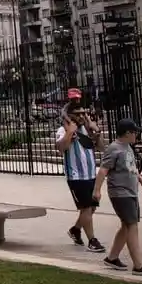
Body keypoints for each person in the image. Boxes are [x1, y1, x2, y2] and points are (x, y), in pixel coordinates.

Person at [94, 119, 142, 276]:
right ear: (128, 133)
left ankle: (112, 258)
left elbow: (132, 168)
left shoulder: (127, 148)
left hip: (131, 191)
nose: (136, 135)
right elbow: (103, 170)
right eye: (135, 132)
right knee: (132, 225)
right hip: (120, 192)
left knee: (126, 225)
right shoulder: (114, 149)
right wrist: (97, 190)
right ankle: (138, 265)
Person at [55, 99, 105, 252]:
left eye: (84, 113)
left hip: (91, 174)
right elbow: (61, 148)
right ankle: (92, 240)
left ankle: (76, 230)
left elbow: (102, 147)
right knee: (87, 208)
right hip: (76, 176)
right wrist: (70, 132)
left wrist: (96, 130)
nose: (82, 116)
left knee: (91, 208)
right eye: (78, 114)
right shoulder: (63, 130)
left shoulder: (87, 129)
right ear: (70, 116)